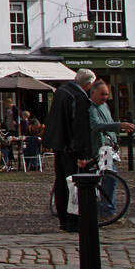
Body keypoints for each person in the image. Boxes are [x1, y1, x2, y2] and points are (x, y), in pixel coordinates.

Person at [43, 68, 96, 232]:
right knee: (73, 184)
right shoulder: (78, 97)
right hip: (70, 148)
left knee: (60, 182)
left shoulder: (61, 92)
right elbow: (79, 128)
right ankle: (72, 219)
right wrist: (82, 153)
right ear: (88, 85)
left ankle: (63, 220)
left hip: (59, 144)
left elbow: (53, 118)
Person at [85, 81, 135, 218]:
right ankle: (106, 210)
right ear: (93, 92)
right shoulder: (91, 108)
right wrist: (119, 125)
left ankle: (103, 208)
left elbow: (107, 123)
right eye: (102, 94)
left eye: (107, 94)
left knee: (106, 179)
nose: (105, 97)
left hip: (108, 148)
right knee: (109, 178)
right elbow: (96, 125)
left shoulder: (105, 106)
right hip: (100, 149)